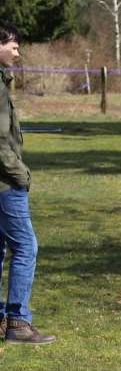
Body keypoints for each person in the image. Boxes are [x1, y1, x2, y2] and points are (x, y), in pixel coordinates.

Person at [0, 21, 55, 344]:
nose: (18, 53)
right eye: (14, 46)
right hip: (5, 183)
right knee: (25, 246)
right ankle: (18, 322)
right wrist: (21, 175)